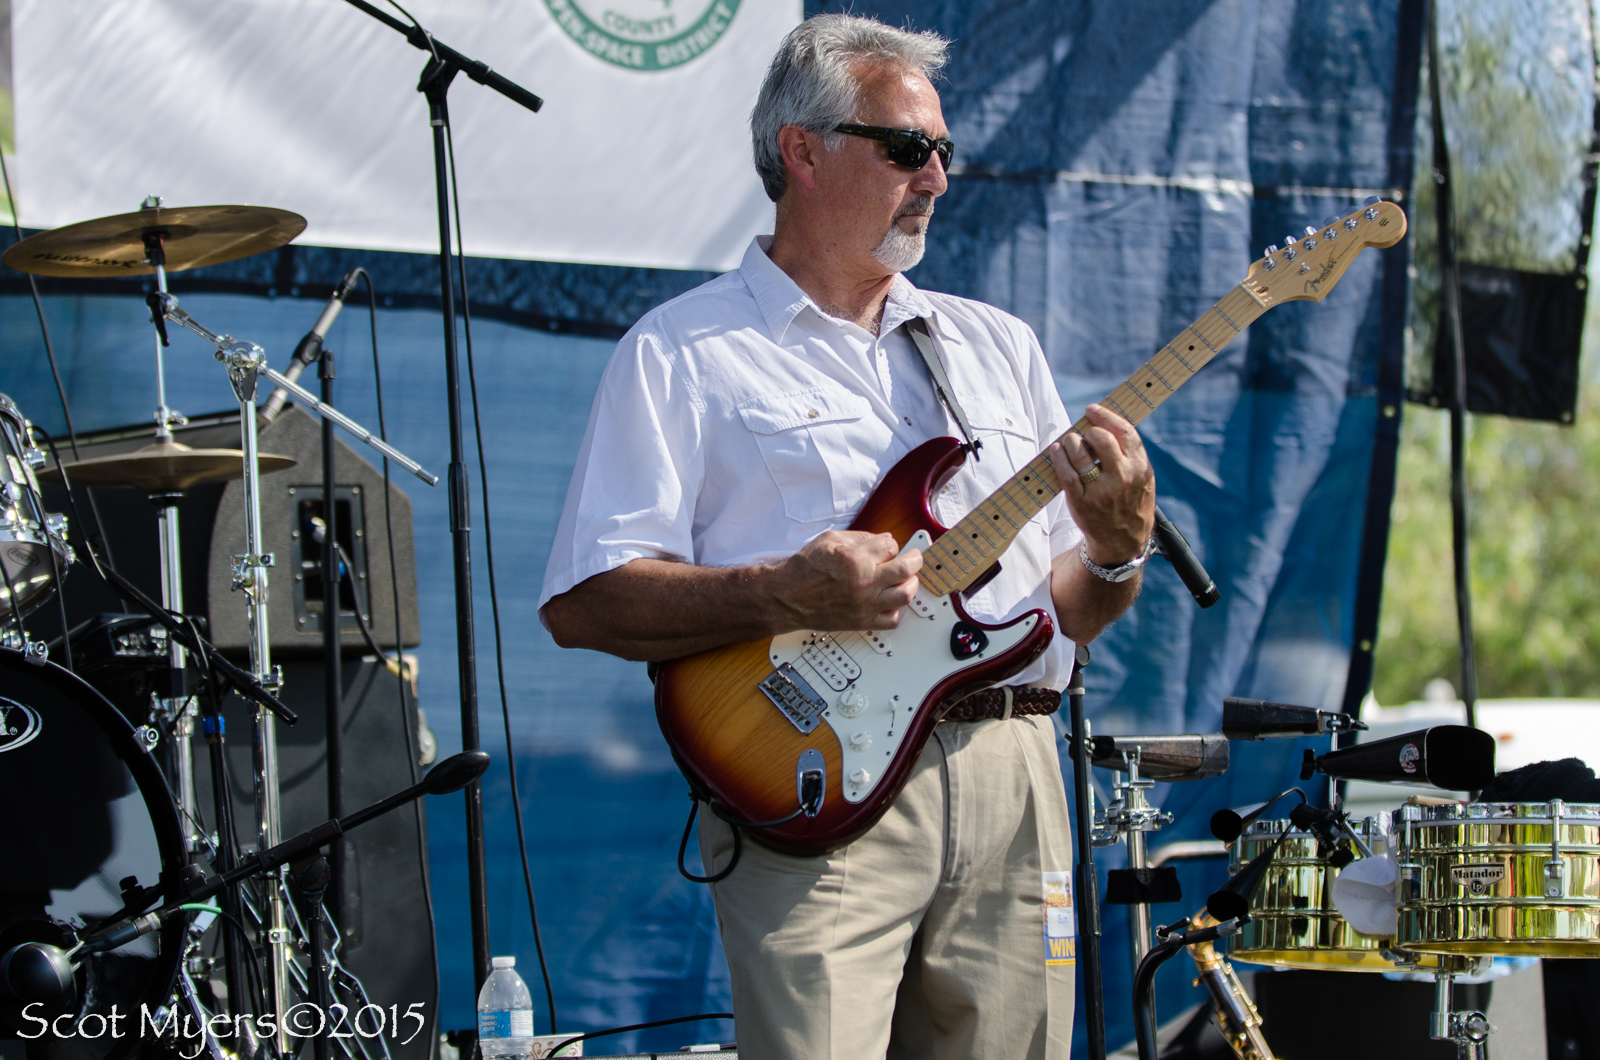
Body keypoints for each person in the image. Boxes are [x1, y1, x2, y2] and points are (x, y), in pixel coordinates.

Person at [539, 13, 1155, 1059]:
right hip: (818, 777)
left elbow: (1067, 611)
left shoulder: (998, 347)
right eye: (908, 148)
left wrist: (1117, 551)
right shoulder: (682, 351)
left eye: (944, 151)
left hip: (1015, 769)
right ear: (803, 151)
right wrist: (780, 590)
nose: (937, 178)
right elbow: (584, 602)